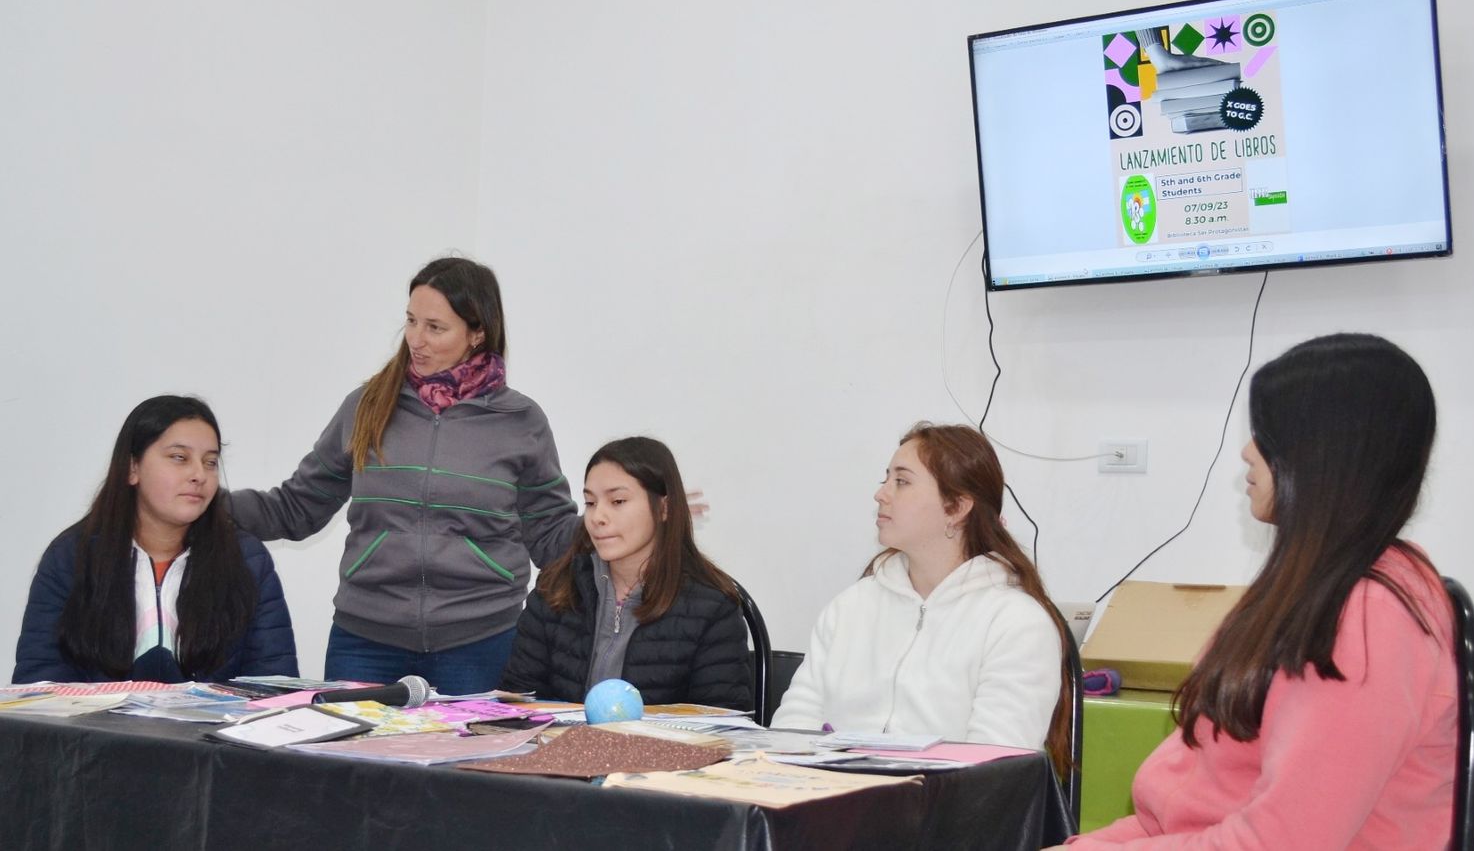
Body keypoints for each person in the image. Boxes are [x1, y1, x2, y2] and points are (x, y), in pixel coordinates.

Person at [1065, 333, 1455, 849]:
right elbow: (1182, 812)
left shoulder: (1366, 616)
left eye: (1266, 436)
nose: (1248, 453)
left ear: (1324, 454)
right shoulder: (1324, 592)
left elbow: (1284, 841)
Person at [230, 257, 578, 694]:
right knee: (352, 762)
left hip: (480, 645)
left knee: (465, 764)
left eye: (436, 327)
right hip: (365, 641)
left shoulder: (521, 421)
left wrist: (625, 525)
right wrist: (208, 505)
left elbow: (550, 535)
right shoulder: (367, 405)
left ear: (478, 333)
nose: (416, 339)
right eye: (411, 320)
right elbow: (298, 507)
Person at [772, 423, 1073, 769]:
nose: (881, 494)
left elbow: (994, 771)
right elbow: (794, 729)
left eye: (902, 482)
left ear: (956, 507)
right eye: (886, 479)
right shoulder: (851, 606)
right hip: (834, 805)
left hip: (941, 812)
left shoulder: (1016, 622)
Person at [14, 396, 297, 683]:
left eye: (210, 462)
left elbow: (274, 685)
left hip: (212, 729)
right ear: (132, 468)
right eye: (179, 458)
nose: (199, 475)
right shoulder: (71, 556)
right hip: (97, 728)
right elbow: (39, 685)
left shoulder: (248, 560)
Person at [500, 437, 751, 709]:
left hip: (665, 751)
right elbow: (518, 703)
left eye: (617, 501)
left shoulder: (712, 606)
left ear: (664, 508)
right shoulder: (555, 589)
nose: (598, 518)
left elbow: (723, 725)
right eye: (591, 503)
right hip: (561, 748)